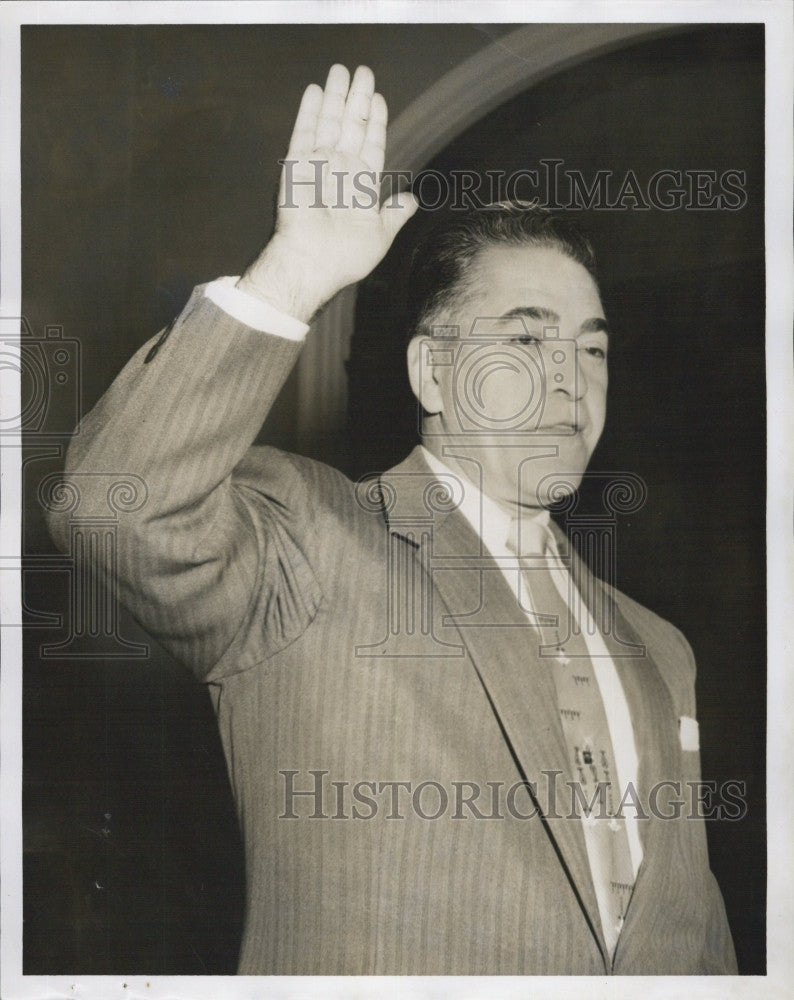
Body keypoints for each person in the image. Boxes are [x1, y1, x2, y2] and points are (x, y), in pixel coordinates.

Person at [46, 64, 736, 975]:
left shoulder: (661, 650)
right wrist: (294, 274)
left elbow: (695, 950)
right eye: (527, 338)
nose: (572, 377)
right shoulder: (312, 544)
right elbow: (111, 505)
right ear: (432, 374)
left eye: (592, 346)